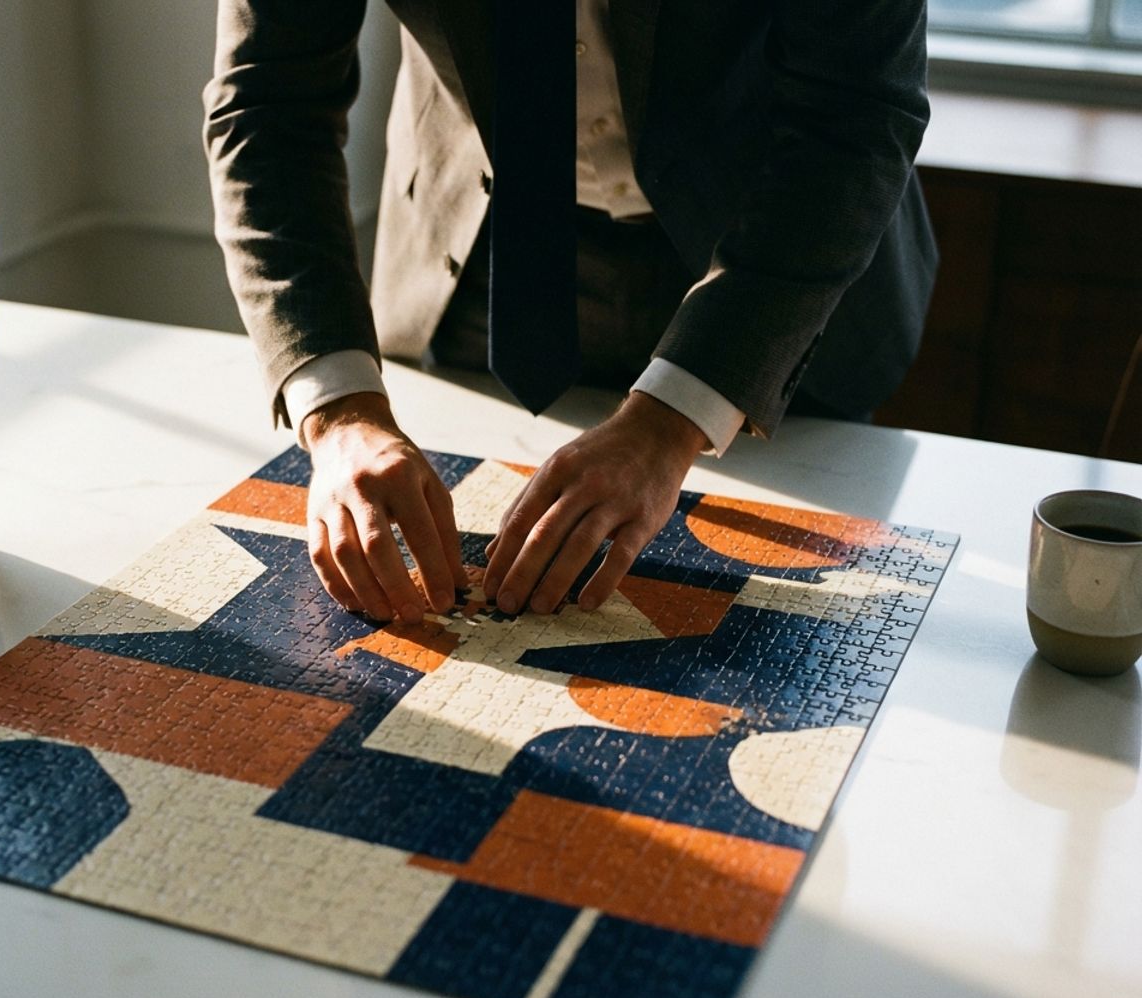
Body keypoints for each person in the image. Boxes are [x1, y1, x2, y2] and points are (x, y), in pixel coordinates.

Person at [203, 1, 936, 623]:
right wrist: (339, 413)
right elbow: (268, 104)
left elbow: (855, 116)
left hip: (768, 281)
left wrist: (669, 421)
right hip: (476, 270)